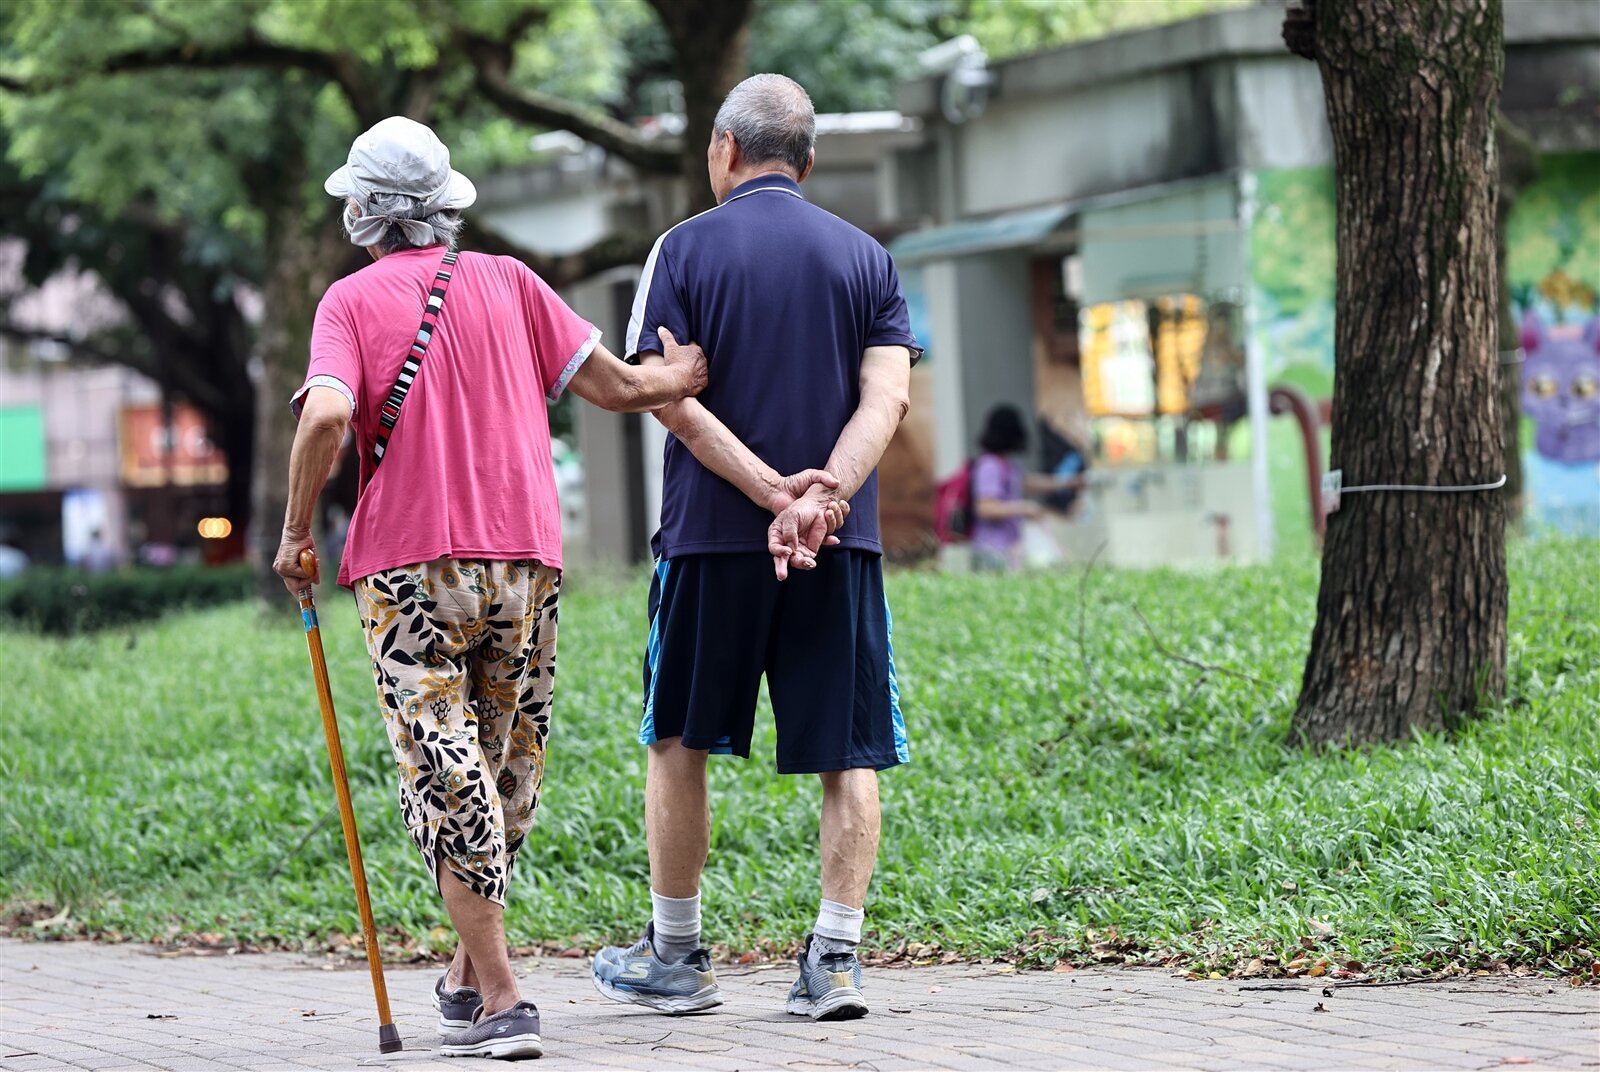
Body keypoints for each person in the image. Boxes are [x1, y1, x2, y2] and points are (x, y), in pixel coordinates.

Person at [271, 116, 707, 1061]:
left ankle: (502, 997)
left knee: (448, 774)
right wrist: (683, 371)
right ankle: (469, 982)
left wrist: (298, 528)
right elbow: (625, 390)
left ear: (364, 213)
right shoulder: (511, 282)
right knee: (505, 776)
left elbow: (329, 416)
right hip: (524, 562)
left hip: (407, 569)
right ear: (444, 206)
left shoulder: (347, 302)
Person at [589, 74, 920, 1024]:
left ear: (724, 151)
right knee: (846, 749)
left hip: (707, 543)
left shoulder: (680, 251)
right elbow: (887, 397)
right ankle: (837, 963)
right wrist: (825, 495)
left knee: (678, 739)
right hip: (837, 543)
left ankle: (678, 955)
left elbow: (669, 399)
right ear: (807, 162)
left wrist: (770, 492)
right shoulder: (866, 258)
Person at [970, 404, 1085, 571]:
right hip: (992, 550)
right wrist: (1024, 508)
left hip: (1010, 547)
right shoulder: (990, 465)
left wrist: (1068, 482)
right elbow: (985, 507)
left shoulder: (1008, 465)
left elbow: (1029, 482)